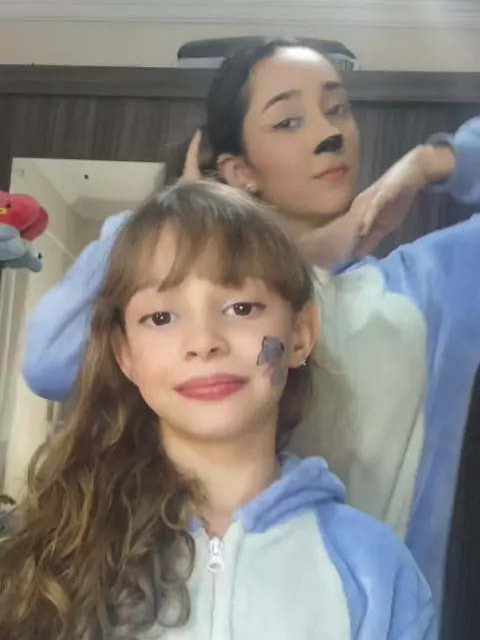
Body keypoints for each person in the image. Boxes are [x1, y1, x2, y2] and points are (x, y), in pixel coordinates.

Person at [0, 180, 449, 640]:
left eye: (240, 307)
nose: (204, 341)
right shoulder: (60, 557)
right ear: (126, 355)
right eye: (161, 317)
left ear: (298, 335)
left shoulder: (375, 573)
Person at [22, 39, 480, 607]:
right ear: (240, 171)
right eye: (288, 120)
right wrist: (173, 213)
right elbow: (50, 361)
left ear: (303, 334)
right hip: (191, 615)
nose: (329, 133)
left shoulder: (430, 286)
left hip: (382, 633)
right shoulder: (201, 312)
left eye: (337, 109)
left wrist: (433, 163)